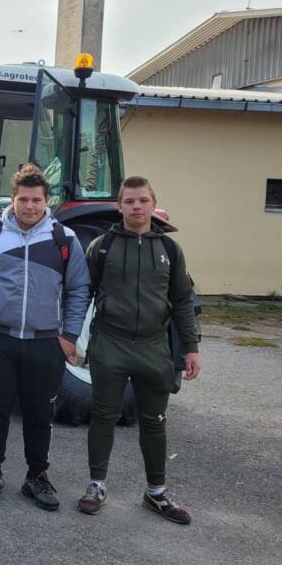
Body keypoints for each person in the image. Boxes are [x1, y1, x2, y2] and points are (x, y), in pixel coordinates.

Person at [0, 164, 90, 510]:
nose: (29, 206)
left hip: (46, 342)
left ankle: (37, 476)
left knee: (40, 412)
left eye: (36, 200)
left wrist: (69, 336)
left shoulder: (64, 239)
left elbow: (79, 289)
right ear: (13, 200)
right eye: (23, 199)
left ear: (47, 201)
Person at [77, 176, 201, 523]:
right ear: (119, 206)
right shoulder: (101, 246)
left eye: (143, 200)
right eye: (129, 201)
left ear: (153, 204)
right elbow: (82, 294)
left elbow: (182, 302)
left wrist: (191, 348)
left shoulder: (170, 250)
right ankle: (96, 486)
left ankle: (156, 492)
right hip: (110, 344)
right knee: (103, 416)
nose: (136, 207)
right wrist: (69, 336)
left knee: (154, 420)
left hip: (153, 347)